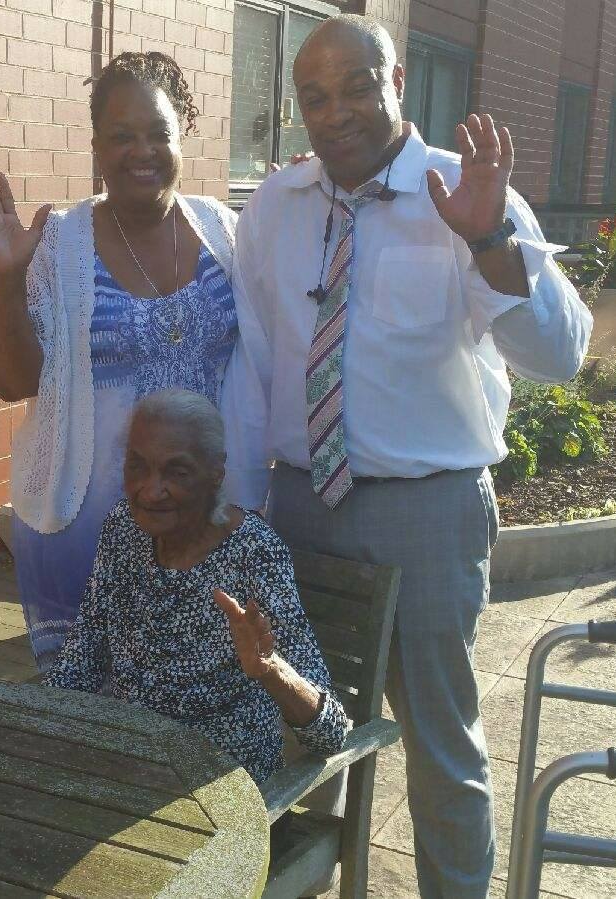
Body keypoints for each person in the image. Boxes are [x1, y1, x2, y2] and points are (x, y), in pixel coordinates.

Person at [222, 14, 592, 899]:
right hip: (302, 504)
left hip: (426, 514)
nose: (337, 109)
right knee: (297, 721)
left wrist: (489, 238)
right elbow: (253, 360)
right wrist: (243, 502)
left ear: (397, 83)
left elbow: (559, 356)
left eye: (357, 85)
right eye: (314, 95)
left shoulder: (465, 191)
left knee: (439, 743)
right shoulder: (276, 204)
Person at [0, 53, 239, 670]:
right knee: (87, 717)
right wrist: (8, 279)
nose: (142, 150)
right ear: (95, 146)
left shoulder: (223, 231)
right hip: (85, 527)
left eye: (159, 133)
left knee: (199, 699)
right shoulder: (59, 244)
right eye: (121, 136)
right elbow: (12, 382)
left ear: (182, 138)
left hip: (206, 525)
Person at [44, 388, 348, 783]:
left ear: (216, 473)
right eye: (137, 467)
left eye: (177, 472)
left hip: (220, 786)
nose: (151, 491)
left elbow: (333, 732)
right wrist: (31, 720)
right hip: (127, 764)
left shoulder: (254, 553)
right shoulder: (123, 529)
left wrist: (270, 670)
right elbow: (81, 662)